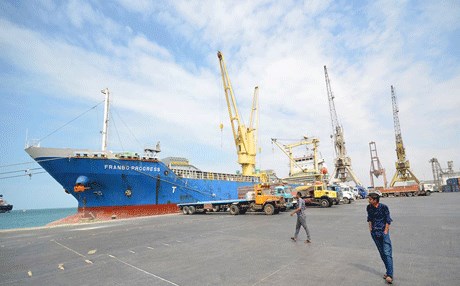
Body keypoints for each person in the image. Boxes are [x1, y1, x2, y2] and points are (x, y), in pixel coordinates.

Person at [367, 192, 394, 284]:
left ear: (375, 200)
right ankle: (388, 272)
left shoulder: (384, 207)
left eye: (370, 199)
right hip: (374, 233)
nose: (368, 200)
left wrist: (386, 231)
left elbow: (388, 220)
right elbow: (369, 218)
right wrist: (370, 229)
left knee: (387, 253)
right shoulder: (369, 207)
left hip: (383, 232)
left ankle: (390, 275)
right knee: (382, 253)